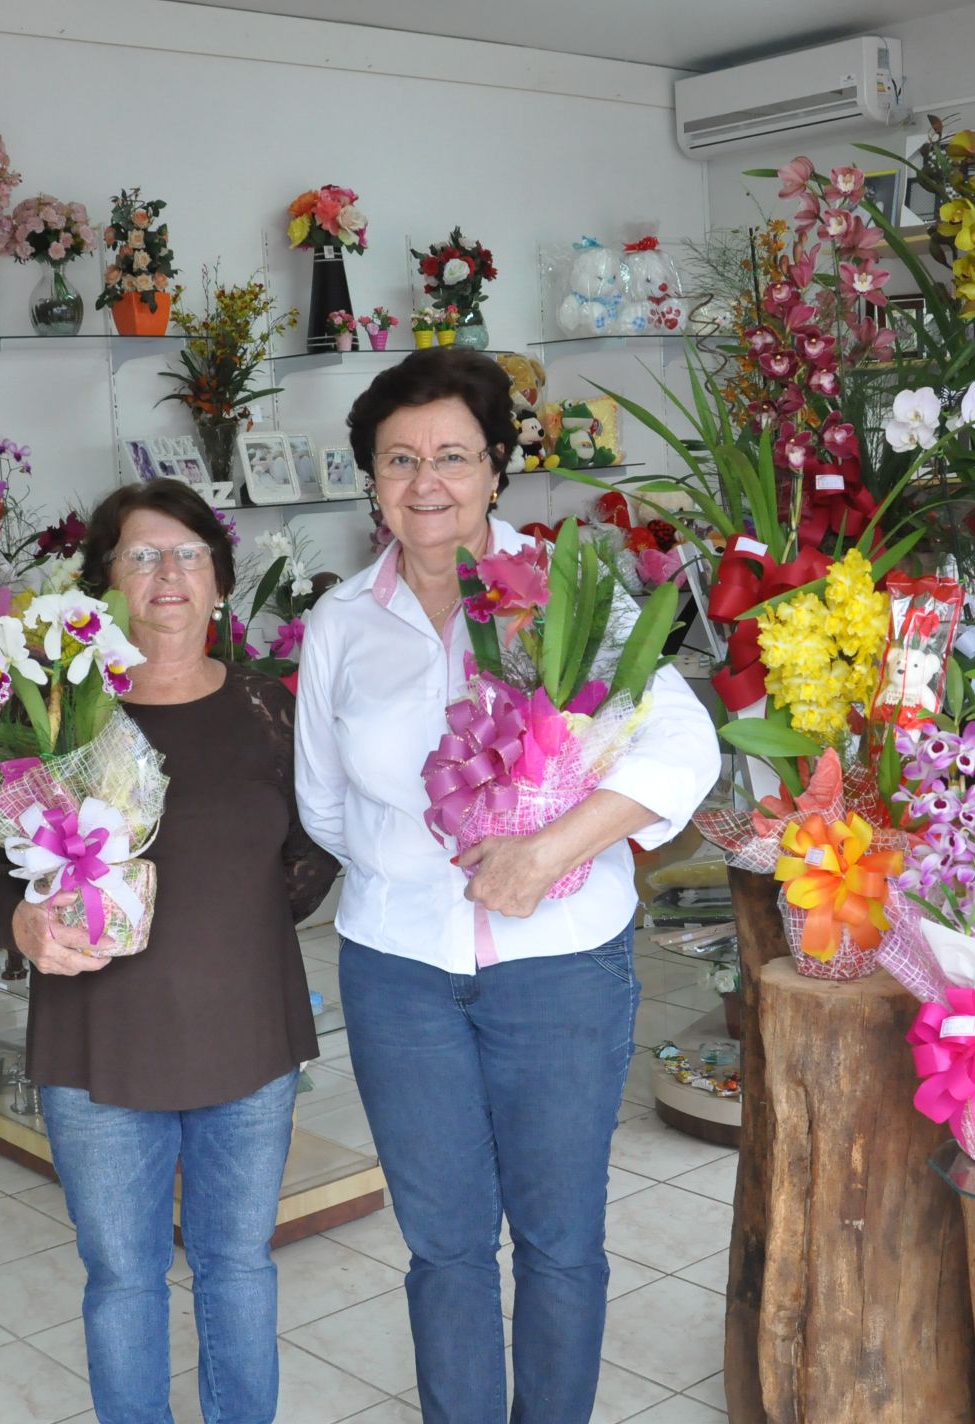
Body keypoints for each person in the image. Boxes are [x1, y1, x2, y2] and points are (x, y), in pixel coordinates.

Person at [294, 348, 719, 1423]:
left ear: (494, 469)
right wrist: (410, 875)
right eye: (398, 458)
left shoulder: (569, 588)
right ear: (370, 477)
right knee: (442, 1247)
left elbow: (678, 747)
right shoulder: (342, 621)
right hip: (400, 974)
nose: (424, 480)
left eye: (450, 454)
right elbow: (324, 803)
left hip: (560, 970)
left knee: (559, 1241)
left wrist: (547, 849)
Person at [0, 478, 337, 1424]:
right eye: (143, 555)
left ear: (219, 582)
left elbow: (315, 851)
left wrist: (226, 931)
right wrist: (27, 925)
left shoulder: (271, 708)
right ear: (105, 587)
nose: (170, 573)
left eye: (190, 554)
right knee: (122, 1276)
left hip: (248, 1038)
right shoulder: (51, 714)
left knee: (237, 1266)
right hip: (98, 1045)